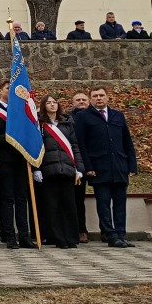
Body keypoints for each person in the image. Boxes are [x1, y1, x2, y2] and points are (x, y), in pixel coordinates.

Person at [74, 86, 138, 248]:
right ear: (91, 99)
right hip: (98, 168)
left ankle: (121, 234)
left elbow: (127, 142)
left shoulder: (118, 116)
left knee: (120, 203)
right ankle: (111, 235)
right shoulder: (83, 117)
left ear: (108, 98)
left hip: (119, 166)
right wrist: (87, 167)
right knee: (103, 203)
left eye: (101, 95)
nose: (99, 98)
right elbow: (82, 145)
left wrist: (131, 165)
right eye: (95, 96)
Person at [0, 80, 34, 249]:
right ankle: (9, 236)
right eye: (8, 88)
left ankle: (25, 236)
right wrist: (12, 136)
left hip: (21, 159)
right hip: (5, 160)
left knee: (22, 198)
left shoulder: (21, 111)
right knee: (7, 199)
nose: (11, 91)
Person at [38, 95, 85, 249]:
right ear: (44, 106)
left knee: (69, 204)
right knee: (53, 205)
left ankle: (72, 237)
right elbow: (36, 149)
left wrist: (79, 168)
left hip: (67, 168)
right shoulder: (40, 125)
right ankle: (58, 238)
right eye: (49, 103)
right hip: (49, 170)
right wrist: (37, 169)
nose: (52, 105)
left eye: (54, 102)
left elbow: (75, 147)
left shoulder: (67, 123)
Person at [69, 91, 91, 244]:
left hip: (96, 161)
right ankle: (80, 230)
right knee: (77, 199)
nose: (81, 102)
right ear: (73, 103)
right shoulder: (68, 118)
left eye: (84, 99)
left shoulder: (97, 116)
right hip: (76, 163)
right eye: (78, 100)